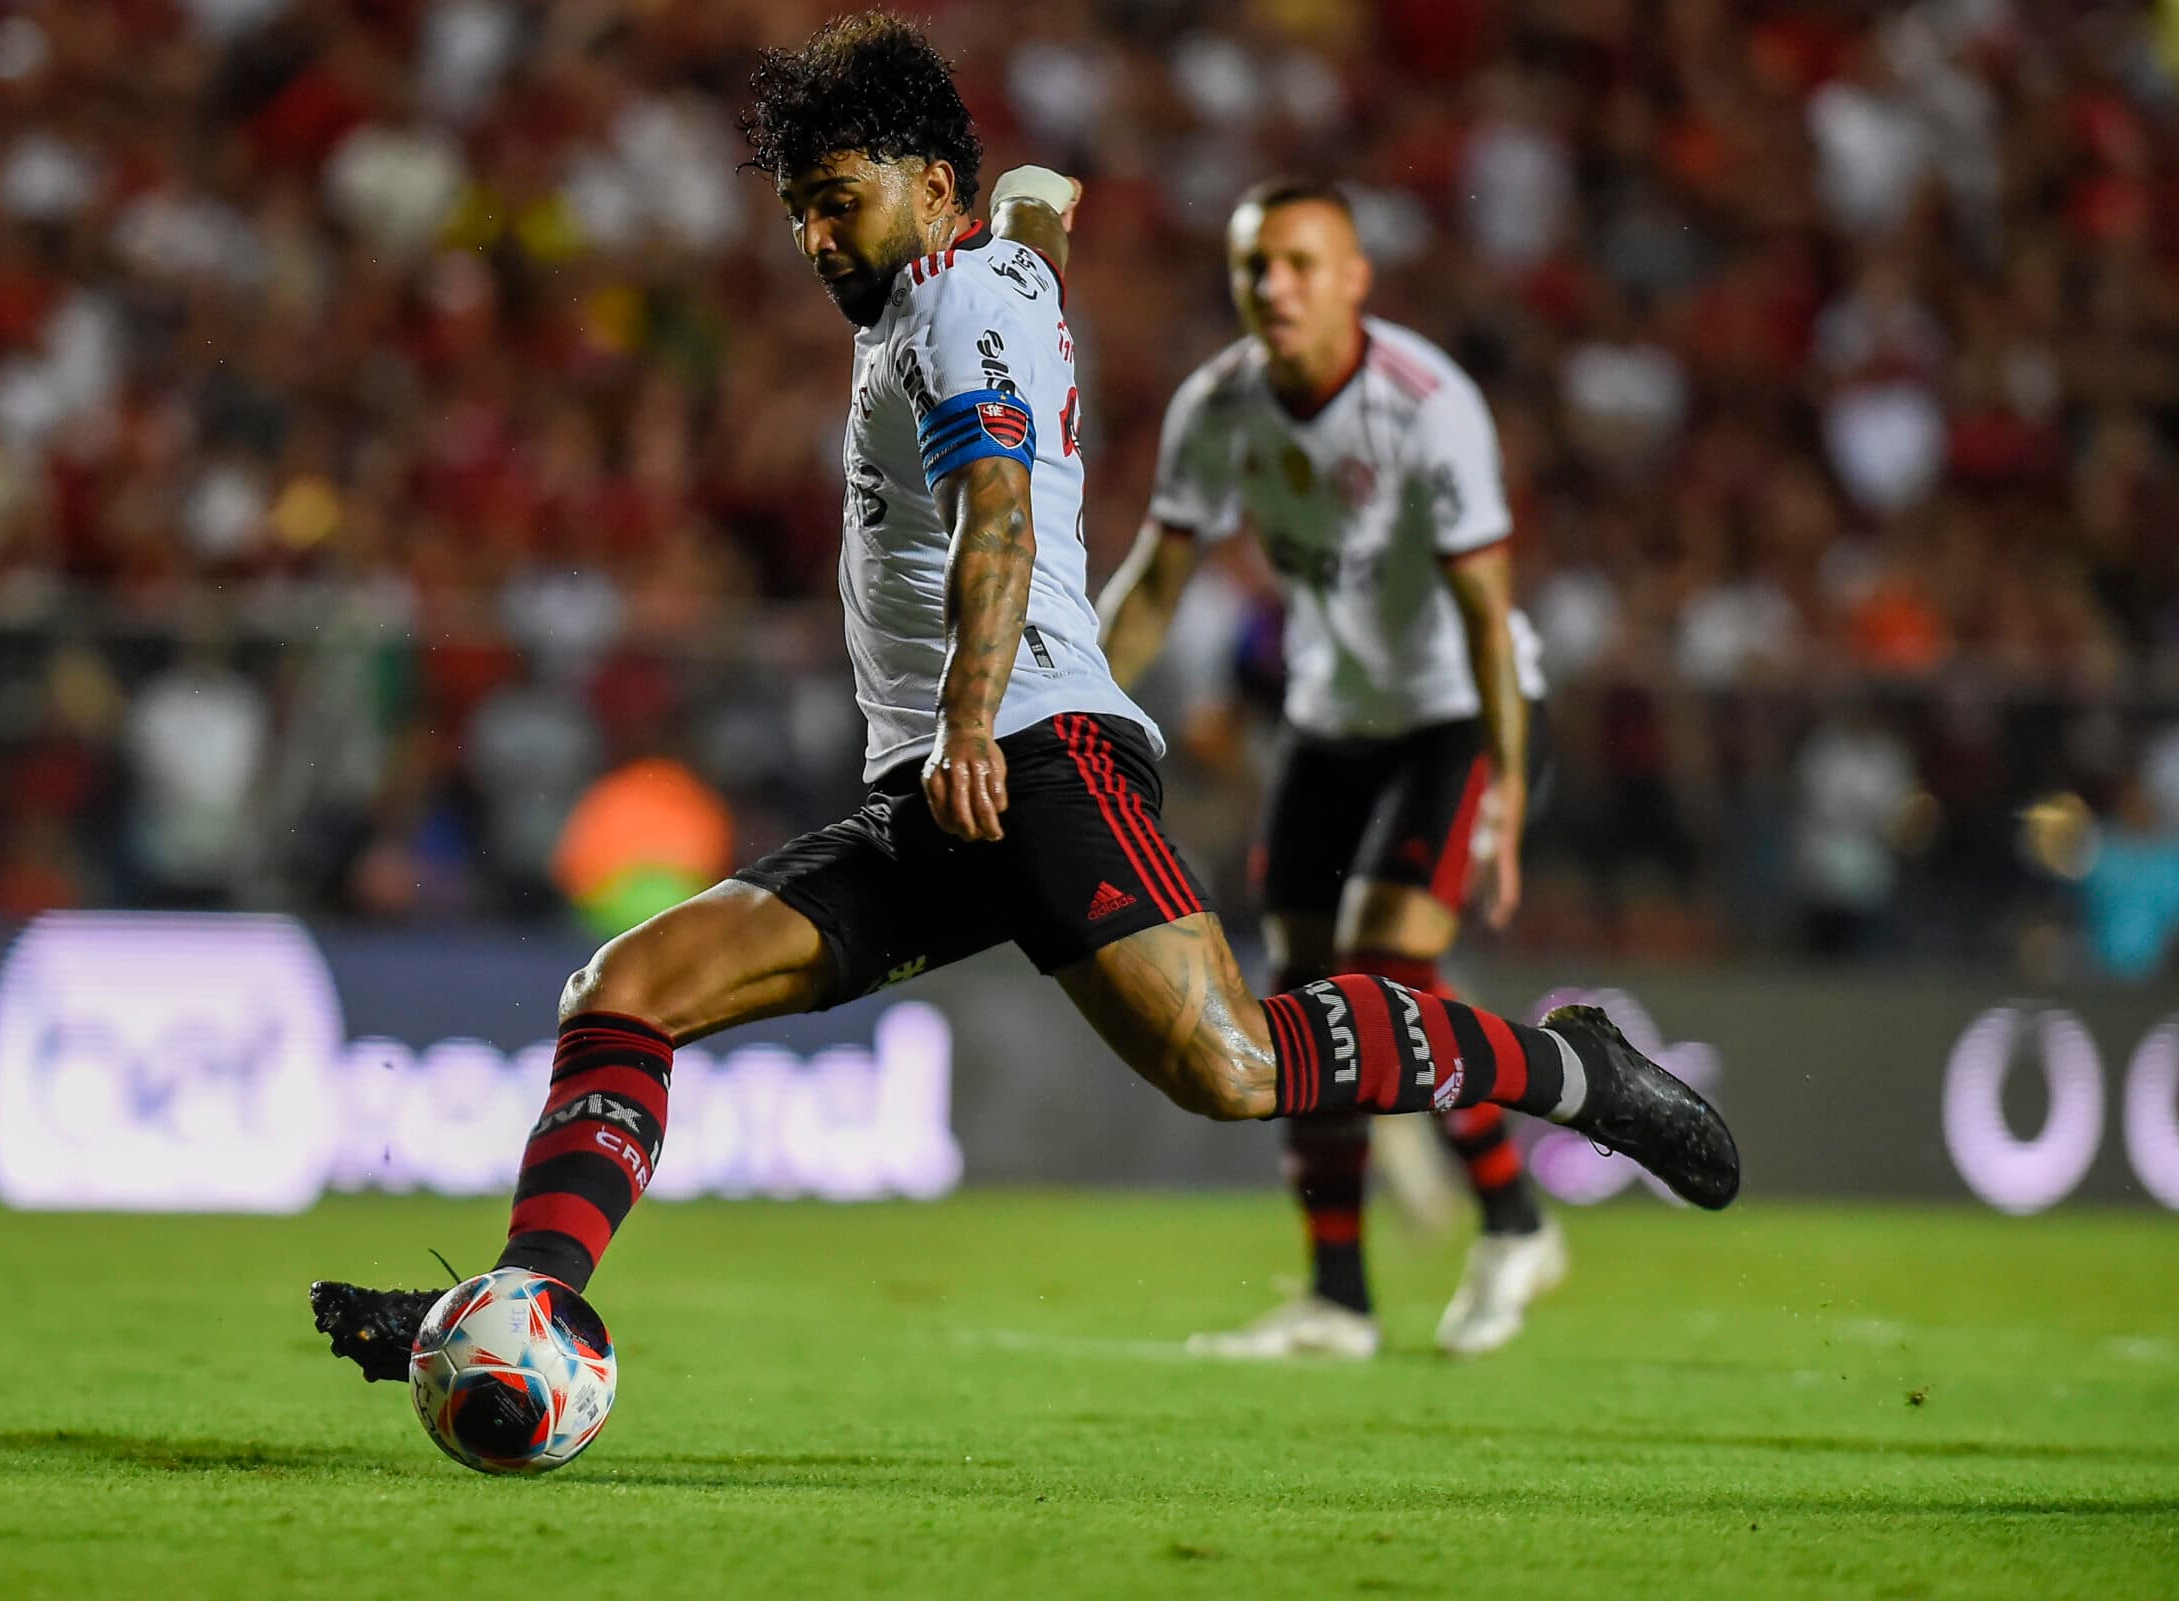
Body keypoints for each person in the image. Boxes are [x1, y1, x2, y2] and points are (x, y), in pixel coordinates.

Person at [310, 11, 1736, 1387]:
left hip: (1036, 747)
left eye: (840, 201)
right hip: (933, 786)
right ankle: (520, 1306)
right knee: (620, 993)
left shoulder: (961, 301)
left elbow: (998, 510)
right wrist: (1039, 209)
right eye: (801, 208)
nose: (816, 236)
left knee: (1236, 1067)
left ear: (933, 193)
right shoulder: (986, 280)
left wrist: (977, 720)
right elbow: (1035, 247)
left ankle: (1574, 1073)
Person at [1097, 179, 1562, 1358]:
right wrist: (1065, 710)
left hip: (1457, 711)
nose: (1278, 287)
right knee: (1304, 998)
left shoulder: (1426, 406)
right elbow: (1156, 580)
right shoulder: (1221, 405)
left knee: (1388, 968)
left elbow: (1485, 609)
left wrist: (1501, 785)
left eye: (1304, 263)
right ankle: (1339, 1298)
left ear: (1356, 278)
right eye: (1258, 266)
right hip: (1329, 716)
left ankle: (1514, 1216)